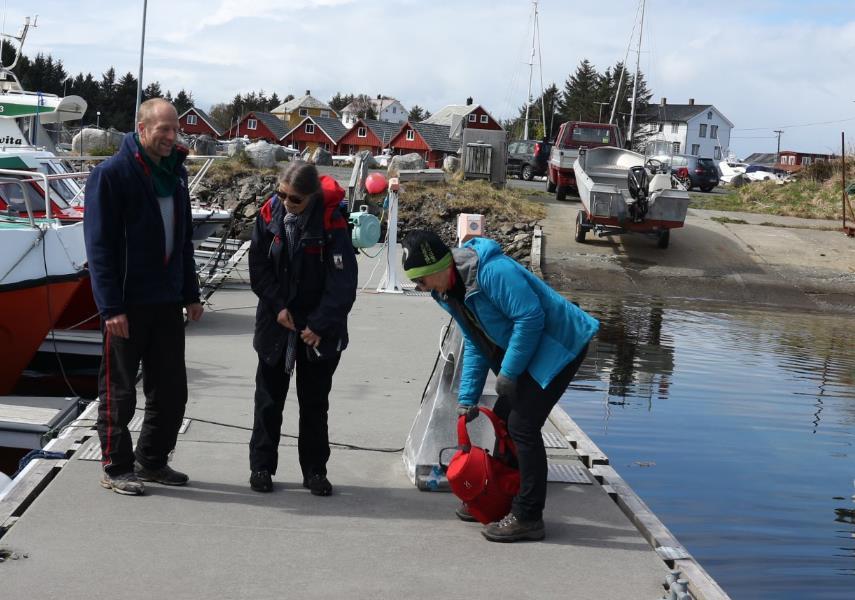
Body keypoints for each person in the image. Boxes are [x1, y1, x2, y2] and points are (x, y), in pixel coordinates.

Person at [401, 230, 599, 542]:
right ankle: (502, 495)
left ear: (439, 267)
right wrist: (467, 398)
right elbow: (475, 339)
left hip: (563, 343)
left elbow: (530, 319)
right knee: (506, 416)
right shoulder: (447, 291)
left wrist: (508, 372)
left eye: (421, 280)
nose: (420, 288)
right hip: (532, 348)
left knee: (522, 425)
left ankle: (528, 515)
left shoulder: (493, 272)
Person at [84, 98, 203, 496]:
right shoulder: (112, 174)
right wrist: (110, 308)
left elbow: (183, 241)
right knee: (119, 391)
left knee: (171, 390)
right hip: (127, 304)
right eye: (163, 129)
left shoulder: (176, 175)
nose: (171, 136)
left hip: (167, 301)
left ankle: (151, 461)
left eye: (175, 129)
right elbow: (99, 248)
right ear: (142, 127)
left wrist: (191, 293)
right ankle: (116, 468)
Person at [248, 162, 357, 495]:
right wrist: (277, 306)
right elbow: (259, 267)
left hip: (318, 329)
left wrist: (319, 325)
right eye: (281, 194)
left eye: (294, 199)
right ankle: (261, 468)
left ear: (311, 197)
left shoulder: (333, 224)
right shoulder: (269, 214)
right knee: (268, 400)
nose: (286, 202)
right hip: (277, 322)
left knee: (314, 403)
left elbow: (343, 283)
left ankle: (315, 471)